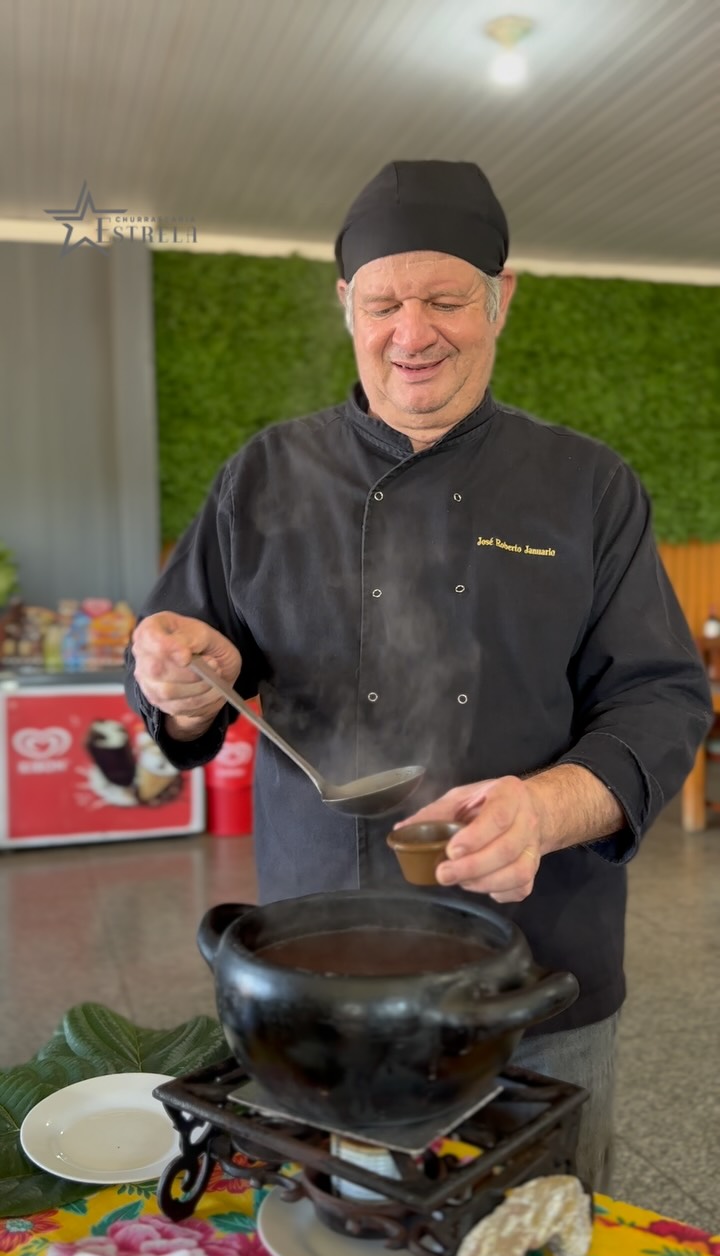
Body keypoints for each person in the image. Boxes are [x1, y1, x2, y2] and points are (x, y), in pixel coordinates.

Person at [126, 159, 712, 1193]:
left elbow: (664, 697)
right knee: (329, 1225)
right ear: (344, 302)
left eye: (445, 299)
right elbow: (185, 665)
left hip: (533, 981)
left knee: (542, 1227)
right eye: (386, 301)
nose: (413, 332)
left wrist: (545, 805)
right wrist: (177, 679)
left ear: (503, 298)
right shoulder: (264, 475)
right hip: (316, 970)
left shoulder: (588, 487)